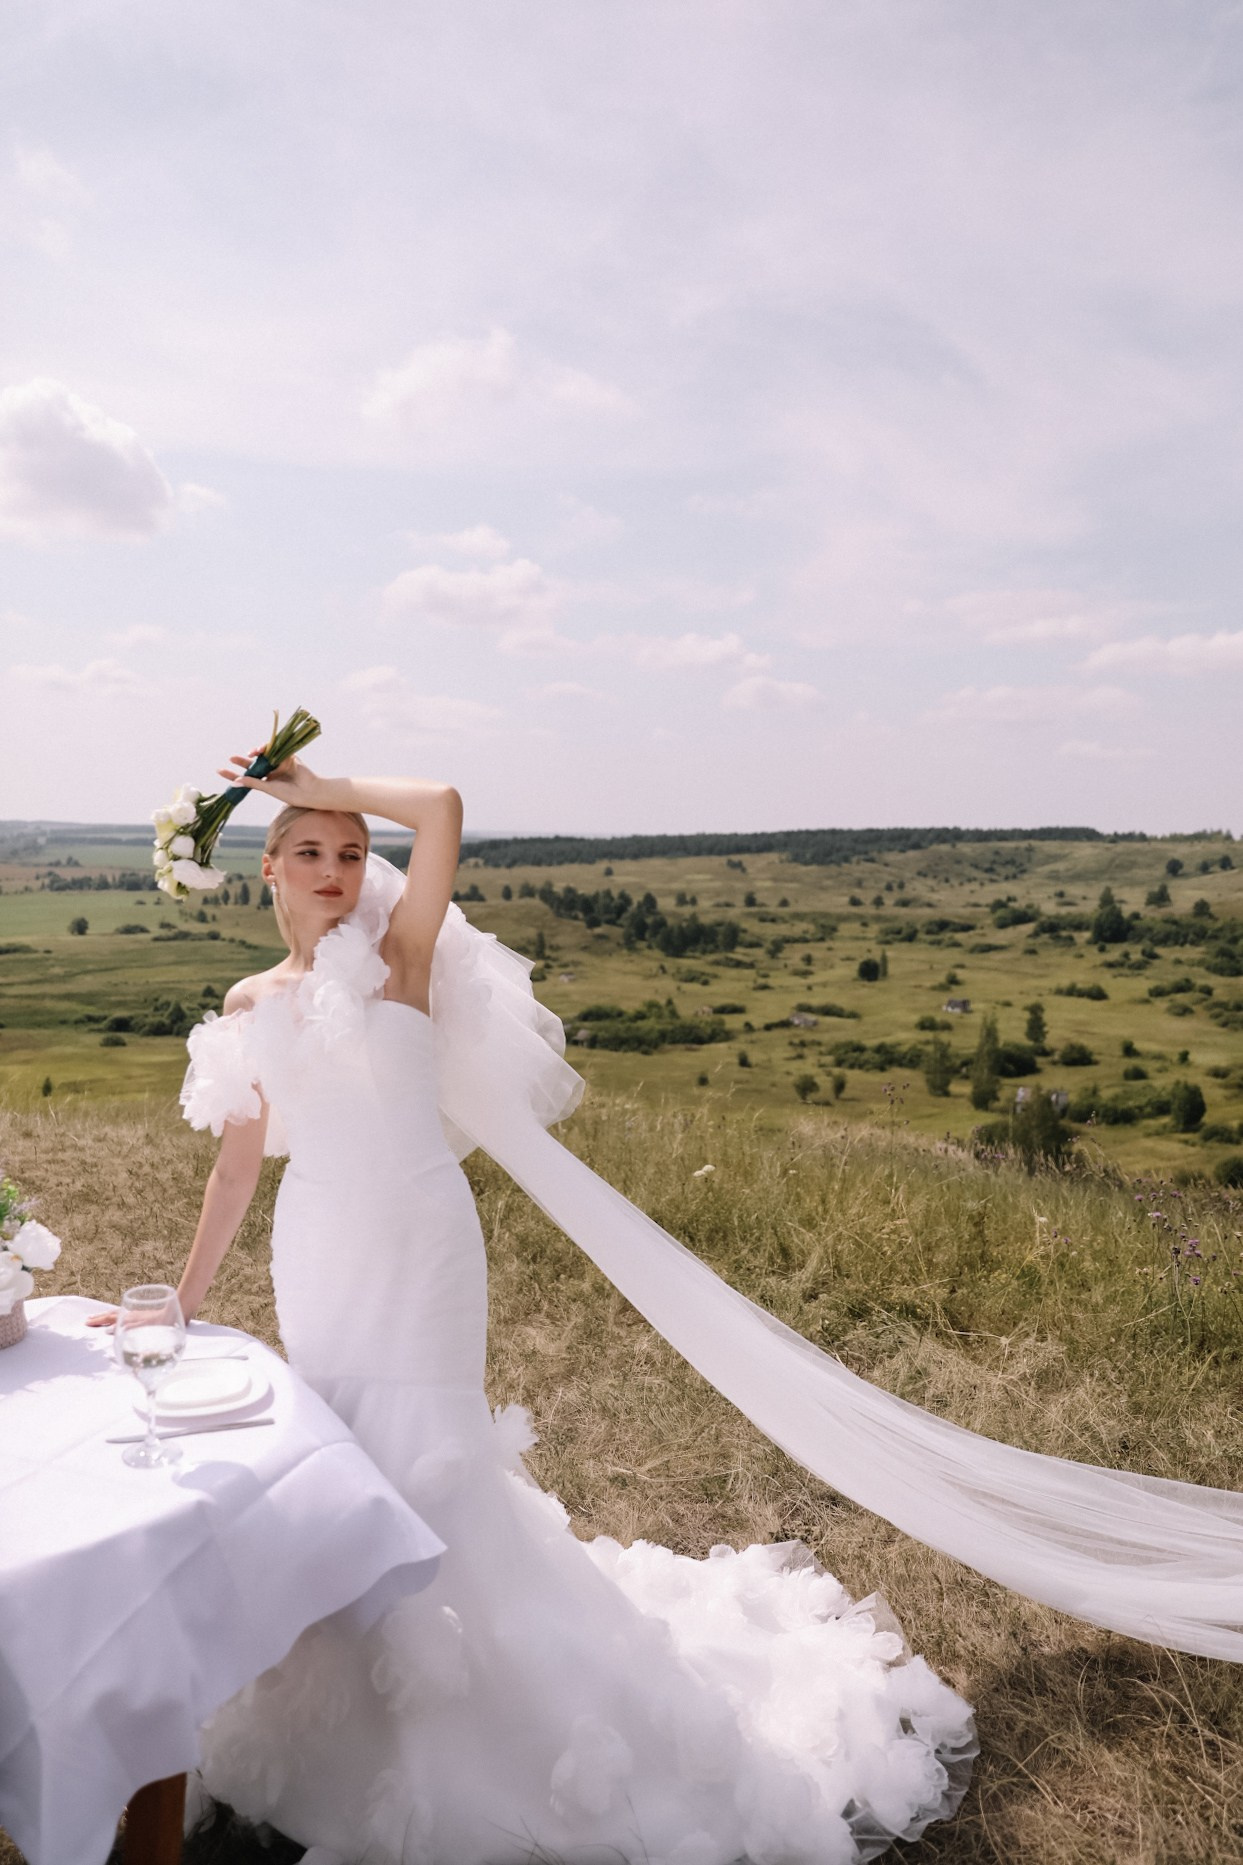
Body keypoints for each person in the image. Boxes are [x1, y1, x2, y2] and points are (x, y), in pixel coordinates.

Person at [92, 748, 1243, 1860]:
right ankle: (346, 1723)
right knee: (342, 1457)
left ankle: (490, 1730)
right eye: (309, 850)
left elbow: (438, 803)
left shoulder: (402, 954)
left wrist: (318, 784)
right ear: (268, 870)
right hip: (319, 1249)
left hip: (423, 1244)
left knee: (434, 1462)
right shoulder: (249, 1000)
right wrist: (179, 1301)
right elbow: (236, 1168)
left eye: (349, 850)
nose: (335, 868)